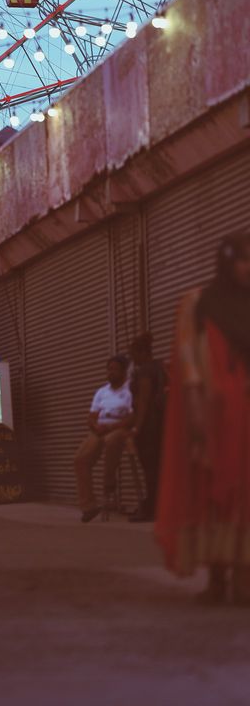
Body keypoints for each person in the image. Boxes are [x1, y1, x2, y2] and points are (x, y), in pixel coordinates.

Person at [156, 232, 250, 605]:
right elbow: (189, 360)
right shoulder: (198, 303)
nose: (248, 268)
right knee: (213, 491)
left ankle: (244, 579)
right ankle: (216, 578)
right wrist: (195, 413)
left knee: (245, 494)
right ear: (227, 262)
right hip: (213, 415)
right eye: (242, 260)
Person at [74, 356, 134, 523]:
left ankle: (109, 481)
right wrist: (95, 426)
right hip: (100, 429)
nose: (111, 372)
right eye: (109, 369)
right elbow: (91, 416)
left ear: (123, 371)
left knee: (111, 441)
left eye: (115, 369)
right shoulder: (102, 391)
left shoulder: (129, 390)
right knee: (80, 459)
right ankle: (89, 506)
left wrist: (111, 427)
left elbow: (131, 417)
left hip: (118, 429)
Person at [128, 333, 167, 522]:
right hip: (161, 423)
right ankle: (159, 506)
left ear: (142, 352)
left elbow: (143, 400)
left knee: (150, 468)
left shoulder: (145, 371)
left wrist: (137, 427)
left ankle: (151, 508)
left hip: (149, 425)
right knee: (158, 467)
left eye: (134, 353)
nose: (132, 358)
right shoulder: (160, 367)